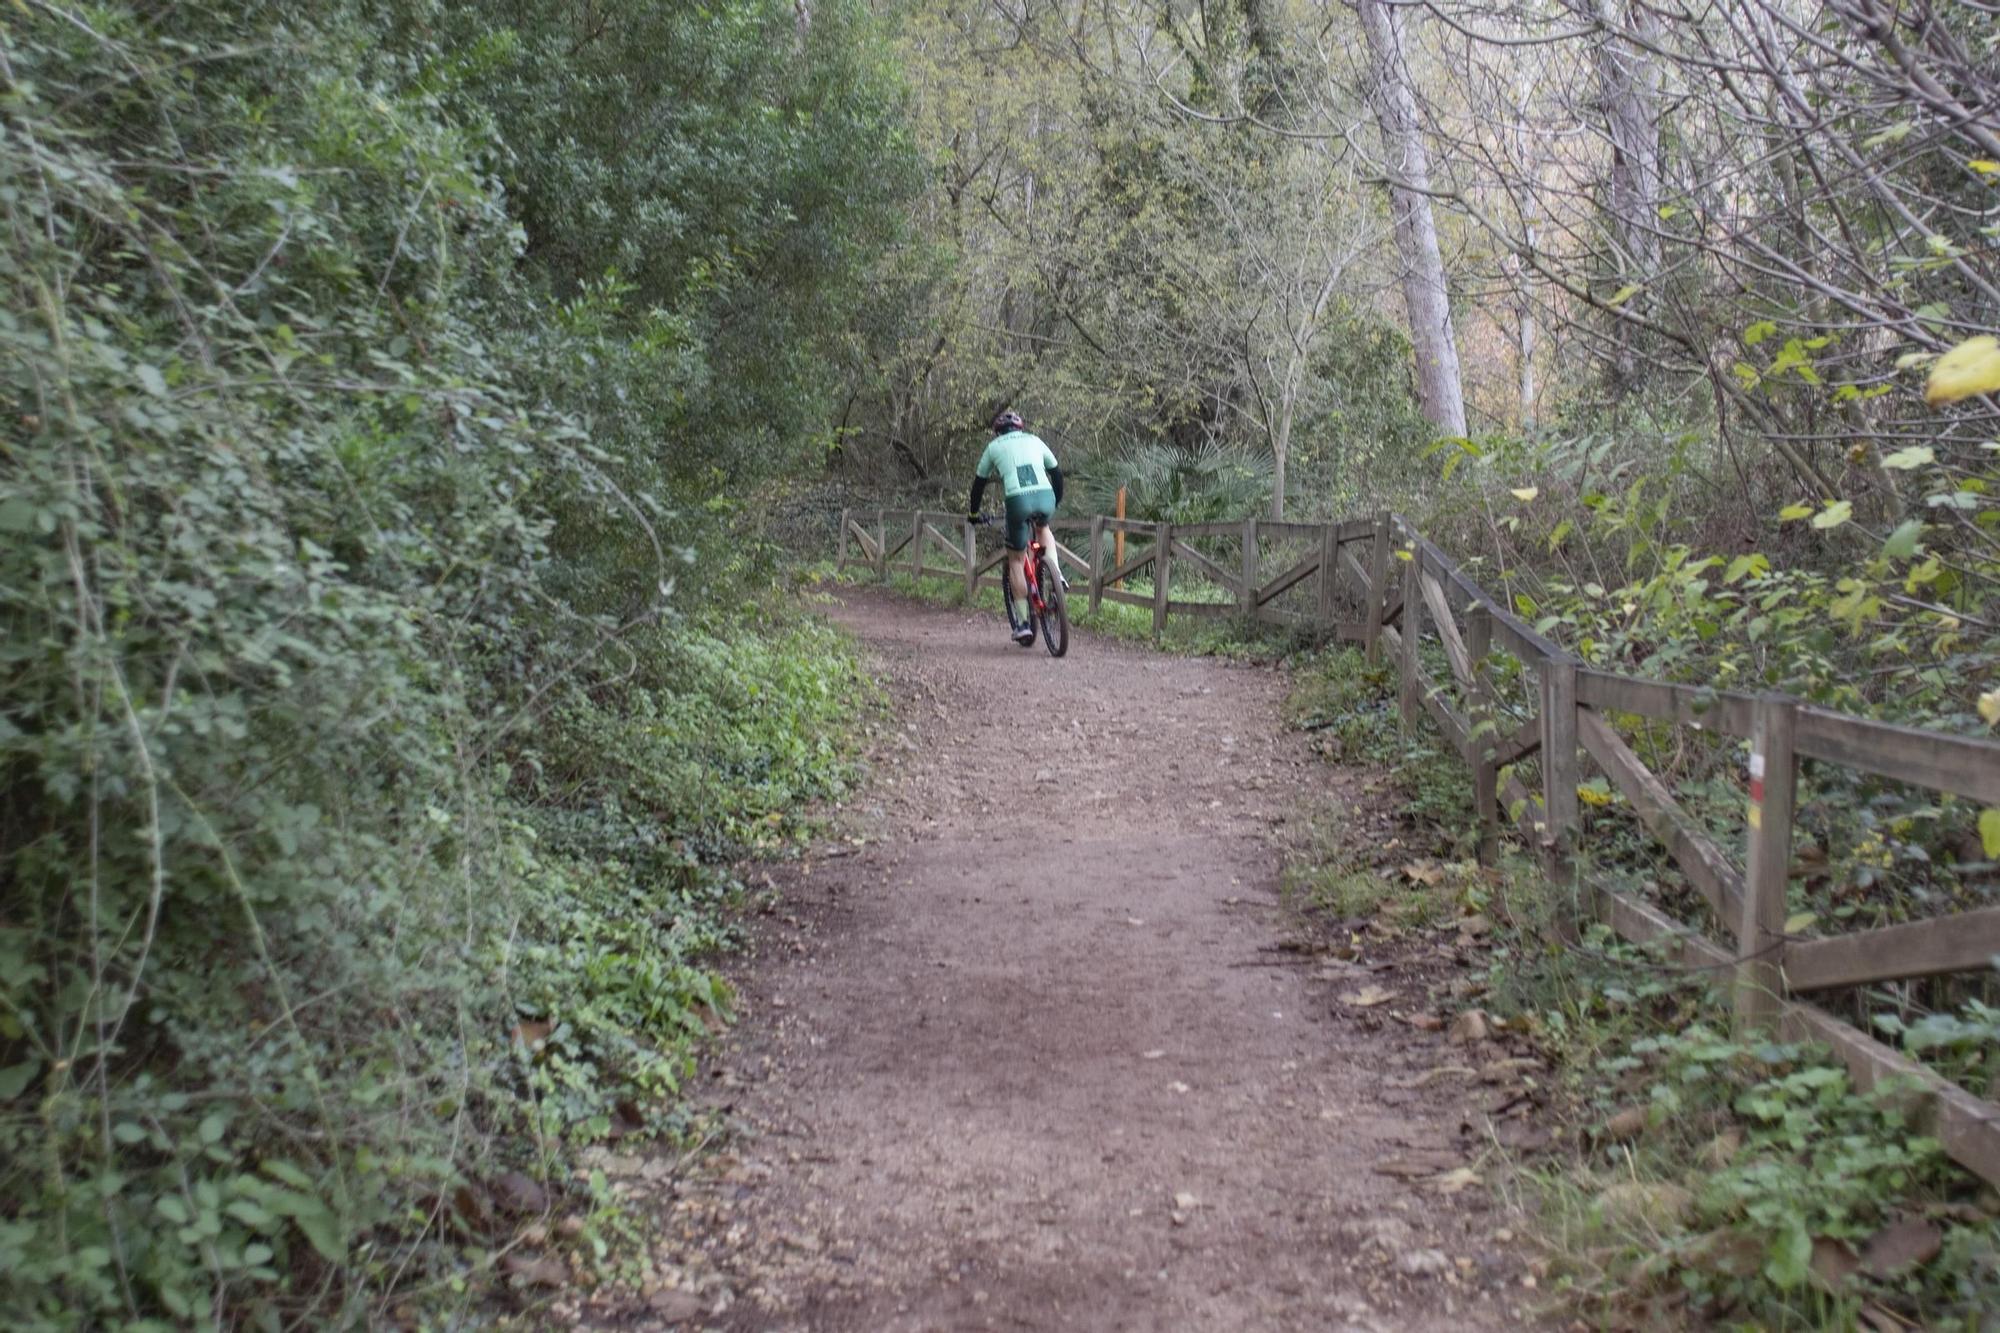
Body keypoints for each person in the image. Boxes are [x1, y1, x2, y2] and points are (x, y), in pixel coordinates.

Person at [968, 408, 1064, 645]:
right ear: (1020, 428)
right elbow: (1056, 473)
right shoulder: (1035, 440)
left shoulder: (994, 447)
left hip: (1018, 501)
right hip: (1045, 495)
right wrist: (1055, 501)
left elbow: (979, 484)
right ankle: (1057, 576)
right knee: (1043, 529)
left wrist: (974, 514)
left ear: (998, 432)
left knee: (1016, 561)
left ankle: (1022, 624)